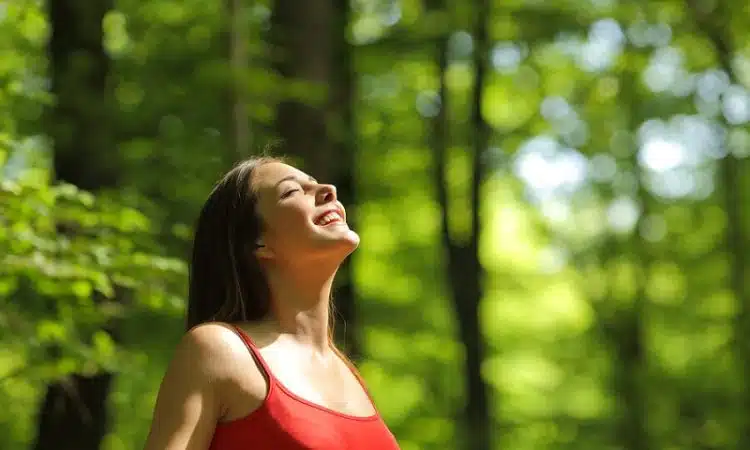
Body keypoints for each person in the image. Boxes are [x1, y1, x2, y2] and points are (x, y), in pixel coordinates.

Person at [143, 157, 400, 449]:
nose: (328, 190)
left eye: (316, 184)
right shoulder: (218, 351)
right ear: (258, 243)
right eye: (291, 191)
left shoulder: (349, 375)